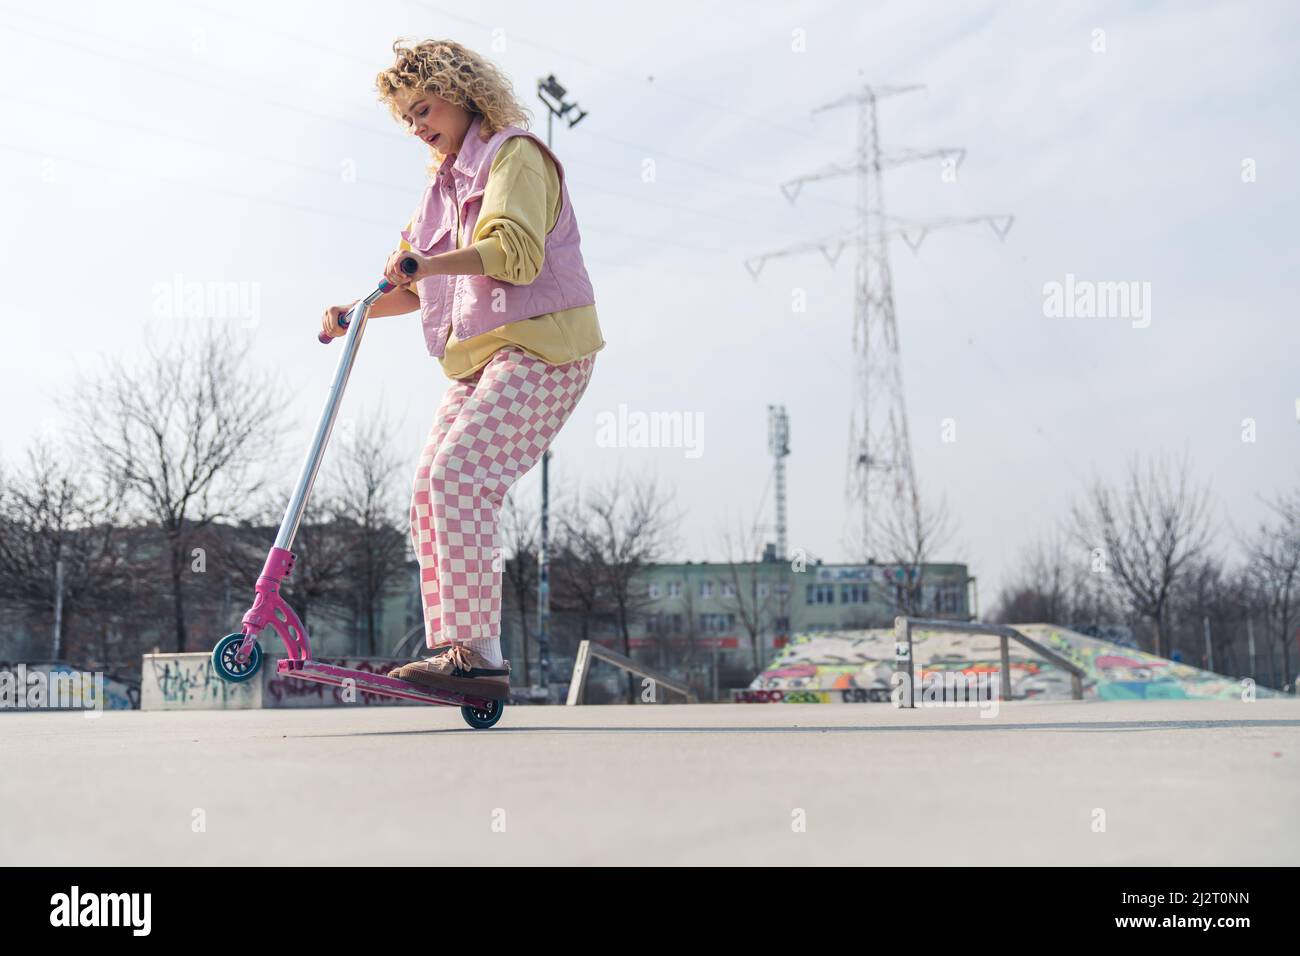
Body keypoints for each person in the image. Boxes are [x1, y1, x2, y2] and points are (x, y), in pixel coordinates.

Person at [321, 39, 604, 701]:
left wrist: (430, 266)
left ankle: (479, 658)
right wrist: (355, 310)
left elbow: (513, 253)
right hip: (479, 360)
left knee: (462, 475)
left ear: (462, 93)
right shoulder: (439, 188)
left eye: (424, 108)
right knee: (428, 488)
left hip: (543, 347)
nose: (418, 126)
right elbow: (417, 283)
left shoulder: (515, 156)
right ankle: (462, 650)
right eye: (407, 119)